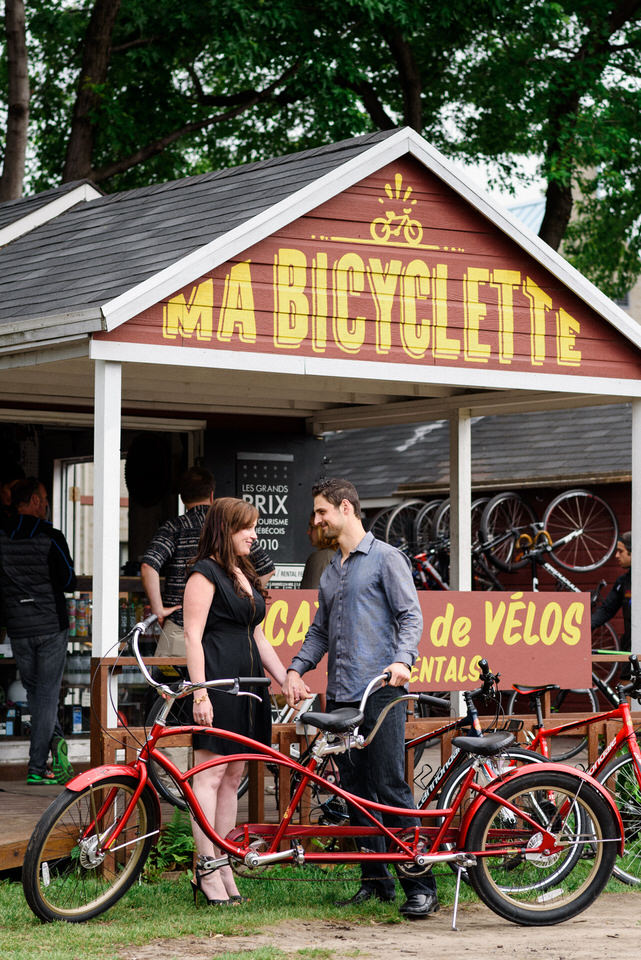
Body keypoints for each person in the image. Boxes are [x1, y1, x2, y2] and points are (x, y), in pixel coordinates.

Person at [283, 477, 438, 920]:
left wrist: (404, 660)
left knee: (389, 786)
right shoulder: (332, 570)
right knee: (354, 792)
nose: (316, 521)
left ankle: (420, 886)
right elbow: (319, 631)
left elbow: (411, 615)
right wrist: (296, 668)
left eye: (321, 513)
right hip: (341, 697)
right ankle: (376, 883)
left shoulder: (387, 559)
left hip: (382, 693)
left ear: (346, 509)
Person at [183, 496, 288, 905]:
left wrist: (283, 678)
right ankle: (206, 868)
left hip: (250, 687)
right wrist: (200, 693)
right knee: (207, 777)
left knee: (232, 777)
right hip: (220, 684)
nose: (254, 534)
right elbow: (193, 635)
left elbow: (258, 635)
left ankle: (224, 862)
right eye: (247, 528)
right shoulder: (203, 574)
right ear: (226, 530)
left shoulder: (243, 572)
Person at [141, 466, 274, 657]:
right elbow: (267, 569)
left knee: (173, 685)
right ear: (212, 495)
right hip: (224, 635)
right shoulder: (232, 525)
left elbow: (148, 566)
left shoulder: (175, 527)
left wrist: (158, 609)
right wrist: (237, 598)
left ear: (182, 497)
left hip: (180, 627)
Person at [0, 477, 76, 784]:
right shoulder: (50, 535)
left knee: (37, 695)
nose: (45, 504)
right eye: (43, 498)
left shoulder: (2, 536)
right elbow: (69, 579)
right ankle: (35, 767)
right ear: (32, 500)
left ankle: (55, 746)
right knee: (45, 696)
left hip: (18, 627)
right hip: (50, 625)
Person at [591, 531, 631, 675]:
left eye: (621, 551)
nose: (616, 556)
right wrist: (582, 628)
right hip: (630, 646)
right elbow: (606, 610)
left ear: (634, 551)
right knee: (627, 690)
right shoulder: (623, 582)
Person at [299, 513, 338, 589]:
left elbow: (309, 598)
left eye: (312, 527)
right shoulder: (343, 555)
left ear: (323, 528)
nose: (308, 532)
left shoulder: (321, 558)